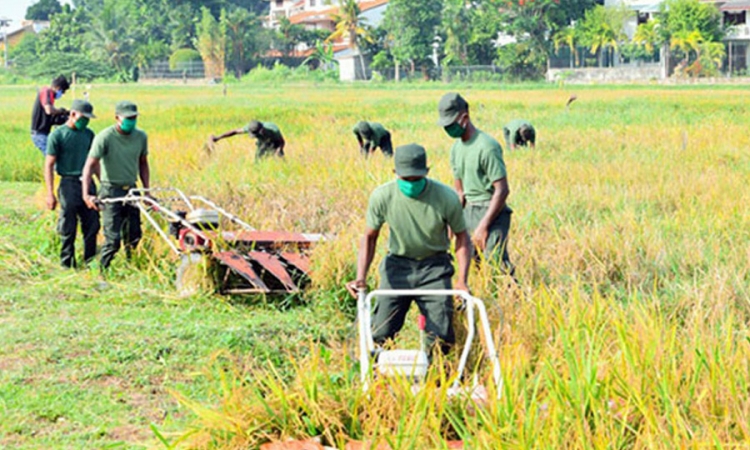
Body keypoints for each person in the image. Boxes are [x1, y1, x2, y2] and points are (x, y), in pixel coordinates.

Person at [347, 144, 470, 356]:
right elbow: (369, 237)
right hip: (398, 266)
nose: (411, 183)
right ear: (395, 173)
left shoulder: (446, 197)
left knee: (441, 334)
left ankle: (437, 380)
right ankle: (377, 378)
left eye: (416, 178)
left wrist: (462, 281)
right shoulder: (383, 196)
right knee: (381, 329)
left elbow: (462, 238)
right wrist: (361, 277)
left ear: (426, 172)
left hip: (435, 267)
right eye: (406, 179)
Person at [438, 92, 514, 274]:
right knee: (472, 261)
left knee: (495, 261)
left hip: (492, 211)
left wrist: (483, 225)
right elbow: (459, 192)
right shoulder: (456, 149)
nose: (448, 129)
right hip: (468, 211)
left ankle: (511, 297)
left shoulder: (487, 146)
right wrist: (451, 223)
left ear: (464, 117)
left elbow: (502, 190)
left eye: (451, 124)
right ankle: (481, 299)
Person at [82, 101, 150, 270]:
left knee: (134, 235)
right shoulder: (105, 137)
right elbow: (89, 165)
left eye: (134, 118)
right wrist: (86, 195)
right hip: (110, 190)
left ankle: (131, 268)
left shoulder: (141, 137)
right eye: (127, 118)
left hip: (131, 190)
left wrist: (146, 190)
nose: (131, 121)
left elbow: (143, 163)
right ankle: (100, 271)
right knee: (113, 240)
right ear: (117, 118)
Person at [44, 99, 100, 268]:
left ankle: (90, 260)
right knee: (68, 225)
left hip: (88, 183)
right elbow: (49, 164)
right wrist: (50, 193)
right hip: (68, 183)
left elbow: (94, 163)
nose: (86, 121)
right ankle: (67, 262)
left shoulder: (89, 135)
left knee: (92, 224)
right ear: (73, 114)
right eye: (83, 117)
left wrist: (102, 183)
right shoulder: (58, 135)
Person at [31, 75, 71, 155]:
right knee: (53, 159)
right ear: (57, 87)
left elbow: (49, 117)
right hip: (40, 134)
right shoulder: (46, 91)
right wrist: (61, 111)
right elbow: (49, 110)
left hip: (44, 133)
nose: (61, 94)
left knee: (54, 157)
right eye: (62, 91)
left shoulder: (50, 96)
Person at [210, 120, 285, 160]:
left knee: (279, 159)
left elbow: (282, 141)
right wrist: (218, 137)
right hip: (262, 144)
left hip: (275, 143)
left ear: (261, 130)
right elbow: (235, 132)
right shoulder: (251, 127)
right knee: (258, 161)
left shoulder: (273, 129)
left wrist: (279, 149)